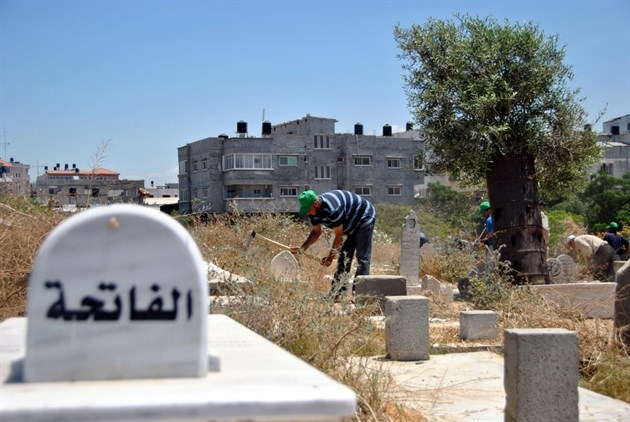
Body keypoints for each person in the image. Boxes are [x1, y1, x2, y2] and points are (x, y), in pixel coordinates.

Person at [291, 189, 376, 299]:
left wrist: (330, 258)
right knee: (344, 257)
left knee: (362, 257)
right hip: (348, 222)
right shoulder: (313, 213)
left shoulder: (333, 208)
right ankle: (338, 292)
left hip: (364, 216)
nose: (308, 213)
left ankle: (360, 295)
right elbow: (316, 232)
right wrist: (302, 249)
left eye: (308, 210)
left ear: (316, 204)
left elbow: (339, 236)